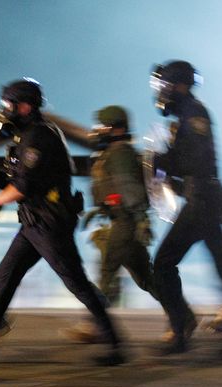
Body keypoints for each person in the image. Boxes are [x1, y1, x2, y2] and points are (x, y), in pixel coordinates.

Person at [0, 79, 124, 365]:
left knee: (76, 282)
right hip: (34, 224)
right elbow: (19, 179)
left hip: (49, 224)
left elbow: (24, 187)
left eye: (10, 105)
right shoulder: (27, 136)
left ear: (26, 106)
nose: (5, 110)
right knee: (5, 278)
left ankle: (115, 345)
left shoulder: (39, 137)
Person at [62, 105, 159, 343]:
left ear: (117, 128)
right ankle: (182, 315)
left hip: (126, 223)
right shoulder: (114, 151)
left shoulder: (121, 152)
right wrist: (100, 211)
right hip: (120, 220)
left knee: (107, 273)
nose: (97, 131)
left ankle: (96, 325)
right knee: (145, 278)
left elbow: (131, 189)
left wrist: (141, 221)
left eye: (103, 125)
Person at [149, 60, 222, 353]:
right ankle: (182, 325)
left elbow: (194, 161)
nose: (163, 92)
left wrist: (163, 160)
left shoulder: (193, 114)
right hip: (205, 196)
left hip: (201, 199)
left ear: (179, 85)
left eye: (166, 85)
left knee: (164, 264)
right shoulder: (188, 114)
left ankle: (180, 328)